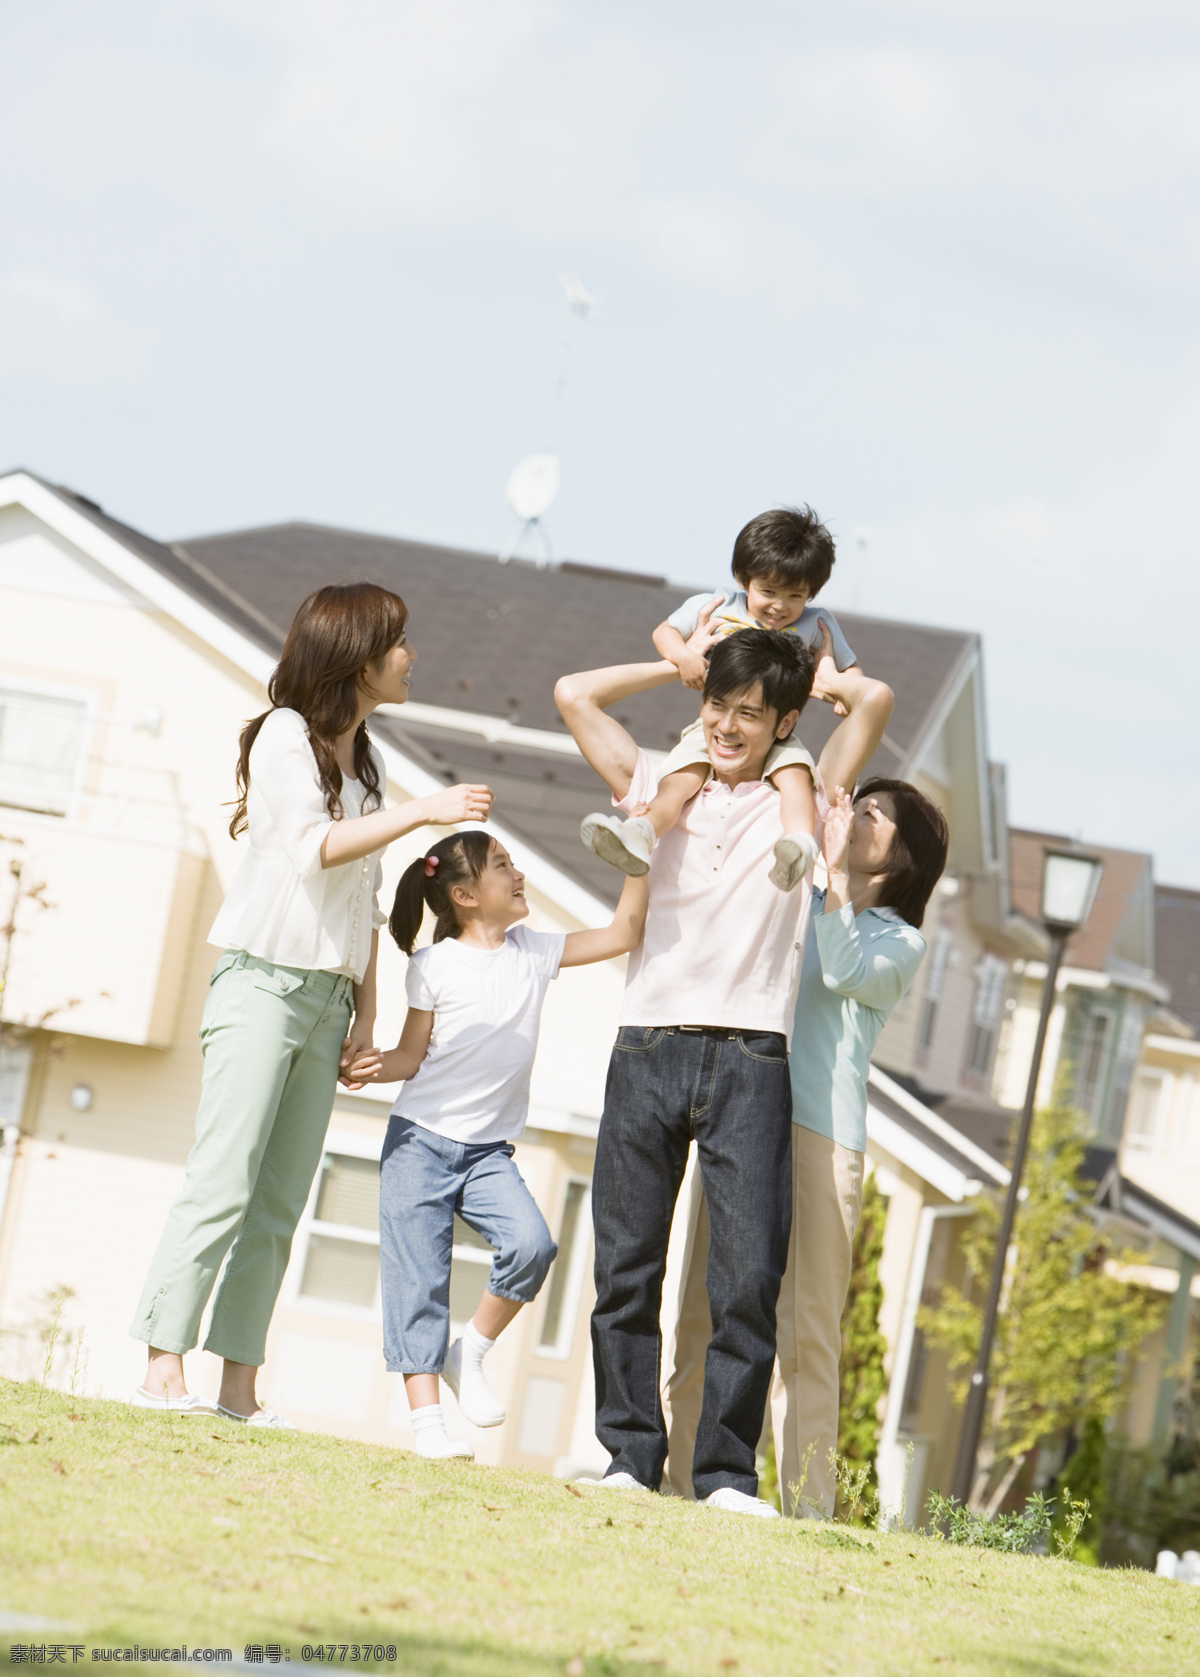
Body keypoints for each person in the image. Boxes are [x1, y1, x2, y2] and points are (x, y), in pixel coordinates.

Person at [130, 583, 493, 1426]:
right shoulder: (283, 737)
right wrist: (427, 812)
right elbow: (313, 848)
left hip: (328, 999)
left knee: (282, 1199)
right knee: (221, 1182)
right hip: (261, 984)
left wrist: (365, 1017)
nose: (411, 658)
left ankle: (237, 1387)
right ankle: (159, 1367)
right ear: (359, 656)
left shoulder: (367, 763)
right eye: (399, 644)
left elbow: (362, 905)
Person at [554, 628, 894, 1516]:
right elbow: (575, 695)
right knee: (626, 1267)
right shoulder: (659, 787)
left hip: (751, 1054)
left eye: (750, 714)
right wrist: (680, 661)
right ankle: (629, 1456)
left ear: (784, 724)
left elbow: (874, 701)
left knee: (746, 1278)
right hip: (646, 1044)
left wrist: (815, 674)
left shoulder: (810, 799)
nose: (728, 727)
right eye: (718, 708)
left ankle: (725, 1476)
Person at [663, 777, 948, 1516]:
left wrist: (825, 873)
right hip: (742, 1112)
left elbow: (842, 968)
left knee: (809, 1330)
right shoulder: (801, 891)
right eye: (859, 804)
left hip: (822, 1137)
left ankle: (809, 1508)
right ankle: (681, 1483)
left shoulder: (901, 941)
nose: (859, 816)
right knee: (702, 1306)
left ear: (906, 858)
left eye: (877, 815)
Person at [345, 832, 648, 1461]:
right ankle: (429, 1429)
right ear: (464, 895)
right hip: (419, 1144)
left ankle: (471, 1352)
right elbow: (411, 1055)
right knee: (418, 1284)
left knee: (532, 1245)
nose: (519, 873)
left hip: (488, 1155)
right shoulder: (433, 968)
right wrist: (368, 1067)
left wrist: (639, 860)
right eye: (503, 866)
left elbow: (623, 932)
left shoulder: (534, 952)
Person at [581, 506, 857, 893]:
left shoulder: (817, 623)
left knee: (796, 778)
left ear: (811, 594)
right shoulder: (717, 606)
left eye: (795, 595)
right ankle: (641, 832)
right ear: (743, 579)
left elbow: (850, 670)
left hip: (775, 729)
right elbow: (665, 633)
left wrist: (843, 693)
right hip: (715, 726)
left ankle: (797, 844)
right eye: (768, 591)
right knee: (678, 781)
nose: (779, 606)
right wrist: (684, 658)